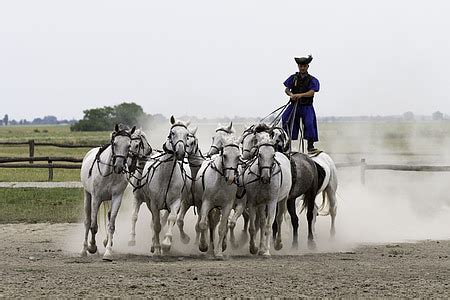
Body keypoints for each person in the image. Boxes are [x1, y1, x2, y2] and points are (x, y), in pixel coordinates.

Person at [281, 55, 320, 153]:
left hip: (307, 107)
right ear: (298, 66)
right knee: (285, 118)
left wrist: (300, 95)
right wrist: (291, 95)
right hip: (294, 106)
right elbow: (286, 89)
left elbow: (312, 92)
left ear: (307, 67)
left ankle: (310, 146)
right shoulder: (293, 78)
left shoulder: (312, 79)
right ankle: (287, 143)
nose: (302, 68)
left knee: (309, 123)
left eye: (304, 66)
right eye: (300, 66)